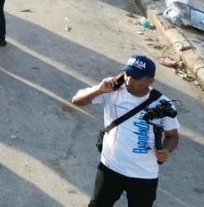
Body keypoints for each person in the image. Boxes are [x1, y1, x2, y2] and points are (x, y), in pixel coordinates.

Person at [72, 55, 180, 207]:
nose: (129, 79)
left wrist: (167, 150)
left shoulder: (163, 104)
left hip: (144, 174)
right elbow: (77, 101)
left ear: (150, 81)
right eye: (127, 73)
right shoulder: (111, 92)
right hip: (110, 168)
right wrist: (98, 89)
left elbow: (172, 136)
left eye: (136, 77)